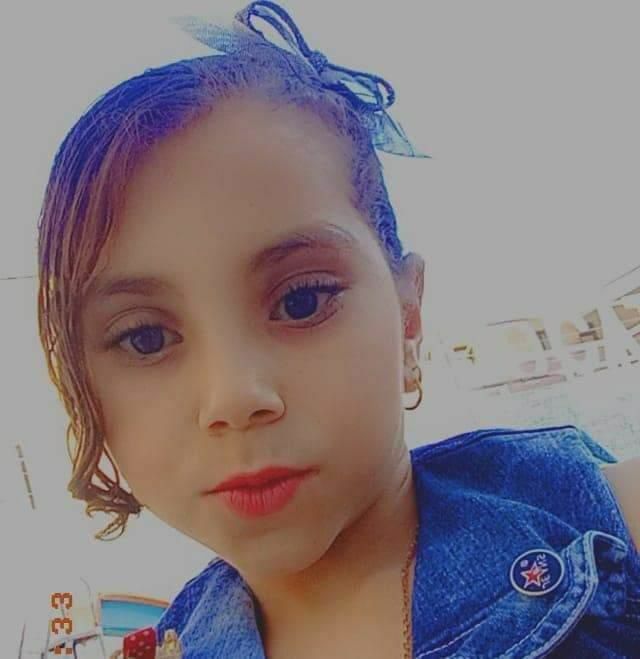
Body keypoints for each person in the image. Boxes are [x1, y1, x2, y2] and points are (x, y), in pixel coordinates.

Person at [36, 2, 640, 657]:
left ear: (408, 317)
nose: (234, 396)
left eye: (301, 301)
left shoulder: (602, 526)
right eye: (146, 338)